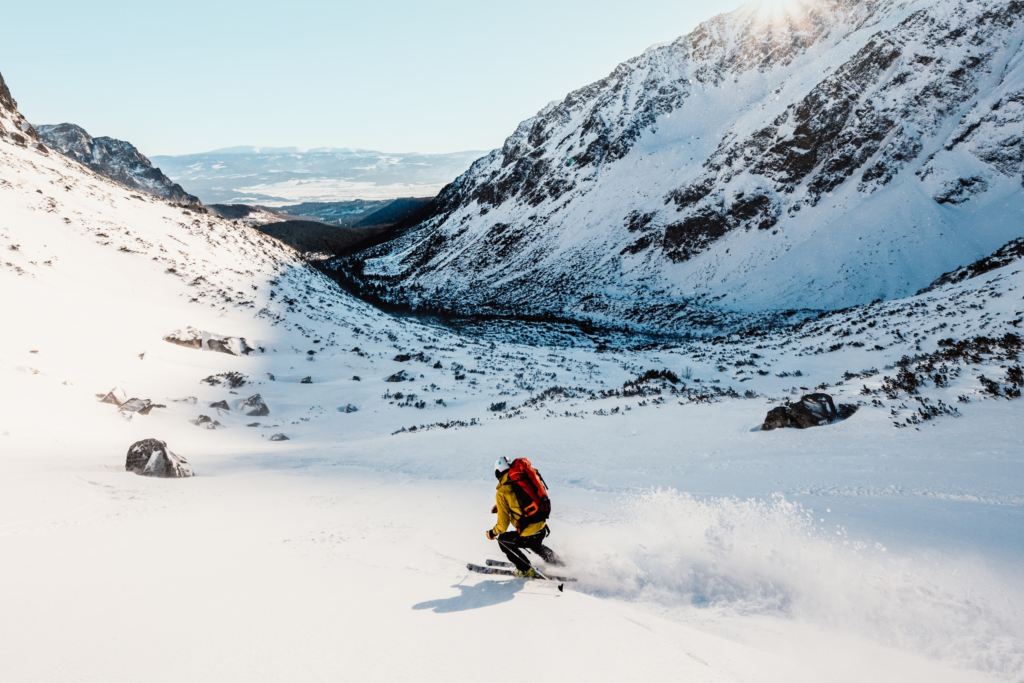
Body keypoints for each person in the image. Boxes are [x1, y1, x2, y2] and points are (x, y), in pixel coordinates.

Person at [486, 456, 563, 578]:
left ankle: (525, 569)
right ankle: (560, 563)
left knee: (503, 540)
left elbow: (503, 525)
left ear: (498, 472)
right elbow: (521, 499)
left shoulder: (502, 491)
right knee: (536, 544)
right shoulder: (522, 478)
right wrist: (501, 506)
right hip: (542, 527)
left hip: (528, 533)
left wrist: (492, 533)